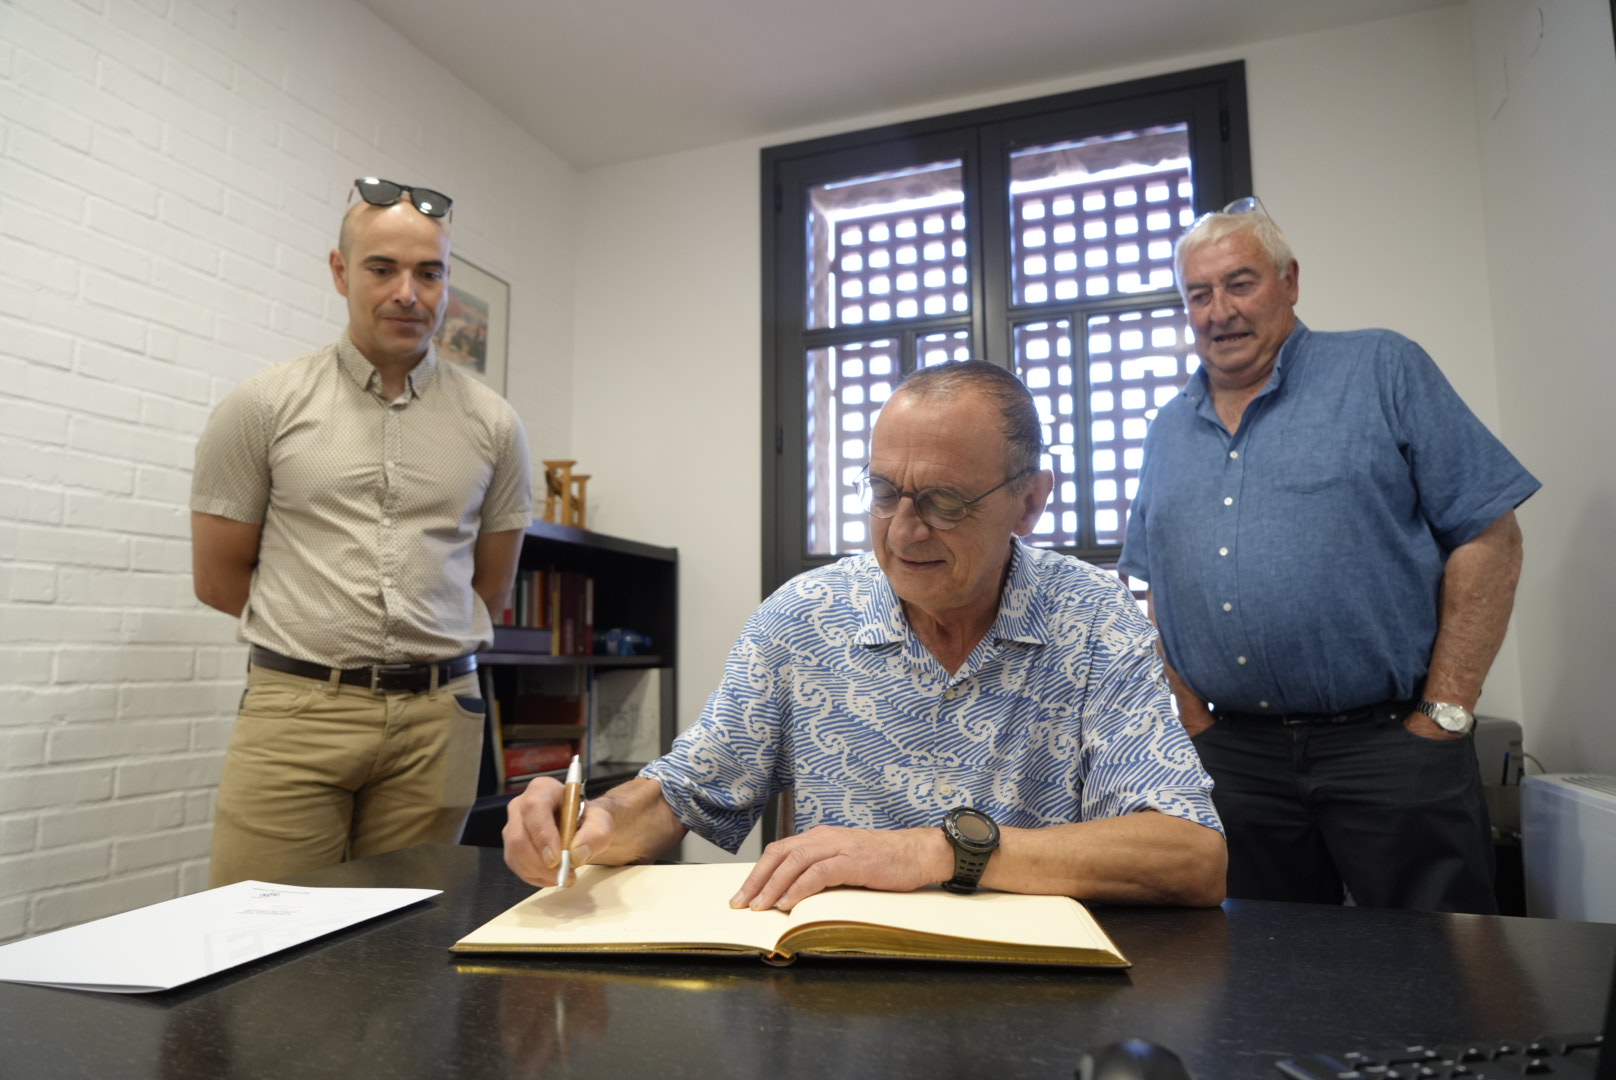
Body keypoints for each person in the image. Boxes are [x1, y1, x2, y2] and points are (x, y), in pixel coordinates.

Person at [505, 361, 1226, 911]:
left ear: (1030, 501)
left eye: (945, 502)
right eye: (884, 492)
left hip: (1039, 992)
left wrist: (938, 851)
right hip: (838, 989)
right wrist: (592, 823)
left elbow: (1190, 856)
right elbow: (683, 794)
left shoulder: (1094, 617)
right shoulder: (804, 618)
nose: (904, 532)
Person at [1118, 201, 1540, 913]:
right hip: (1231, 757)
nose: (1219, 311)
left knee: (1435, 964)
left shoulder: (1382, 368)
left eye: (1240, 283)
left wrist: (1444, 714)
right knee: (1259, 964)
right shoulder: (1167, 429)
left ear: (1289, 281)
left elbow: (1490, 538)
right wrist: (1189, 715)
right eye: (1199, 294)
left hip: (1392, 745)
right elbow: (1156, 581)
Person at [192, 178, 533, 887]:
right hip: (297, 713)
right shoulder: (263, 405)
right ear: (341, 271)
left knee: (409, 939)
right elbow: (219, 579)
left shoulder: (495, 424)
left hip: (440, 722)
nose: (408, 293)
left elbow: (491, 589)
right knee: (262, 931)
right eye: (383, 268)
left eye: (429, 273)